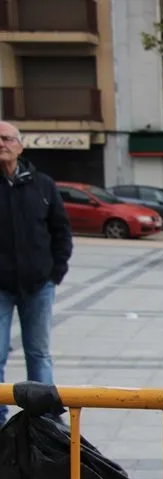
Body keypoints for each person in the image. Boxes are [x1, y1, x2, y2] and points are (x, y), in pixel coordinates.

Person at [0, 120, 72, 424]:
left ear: (20, 145)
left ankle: (44, 421)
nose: (1, 144)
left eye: (7, 138)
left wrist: (56, 272)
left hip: (39, 285)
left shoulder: (42, 185)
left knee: (38, 354)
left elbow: (61, 230)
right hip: (1, 287)